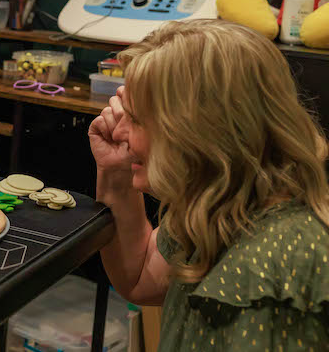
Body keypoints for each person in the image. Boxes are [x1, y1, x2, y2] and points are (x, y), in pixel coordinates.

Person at [89, 19, 329, 351]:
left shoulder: (279, 266)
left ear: (198, 134)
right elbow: (142, 278)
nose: (117, 131)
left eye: (138, 119)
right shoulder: (219, 203)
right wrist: (117, 172)